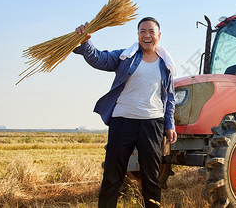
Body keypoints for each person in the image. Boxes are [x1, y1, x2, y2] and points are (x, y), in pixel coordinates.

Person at [74, 17, 177, 208]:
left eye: (151, 31)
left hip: (152, 124)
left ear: (159, 35)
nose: (147, 35)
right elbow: (99, 59)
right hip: (122, 121)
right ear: (137, 35)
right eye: (142, 31)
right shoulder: (125, 56)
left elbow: (169, 97)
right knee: (113, 175)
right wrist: (85, 41)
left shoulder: (166, 65)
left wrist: (169, 124)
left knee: (151, 177)